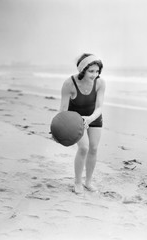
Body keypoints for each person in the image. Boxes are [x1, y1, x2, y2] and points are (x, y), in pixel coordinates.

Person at [59, 53, 106, 194]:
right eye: (91, 71)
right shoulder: (69, 84)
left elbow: (99, 107)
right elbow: (63, 110)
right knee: (84, 148)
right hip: (75, 119)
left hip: (94, 117)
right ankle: (78, 182)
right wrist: (58, 130)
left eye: (97, 71)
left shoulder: (100, 83)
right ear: (82, 70)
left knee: (93, 149)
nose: (94, 74)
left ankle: (88, 182)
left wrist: (90, 119)